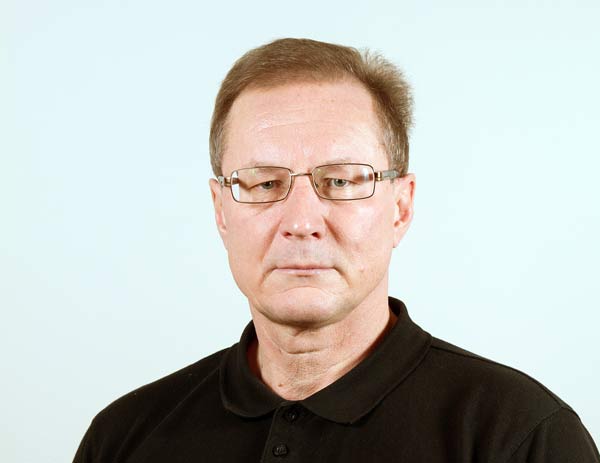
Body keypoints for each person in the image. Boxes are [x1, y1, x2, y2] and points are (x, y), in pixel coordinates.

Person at [73, 38, 599, 462]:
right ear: (221, 210)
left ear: (400, 207)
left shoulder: (521, 438)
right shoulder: (123, 439)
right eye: (263, 183)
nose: (301, 223)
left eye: (342, 181)